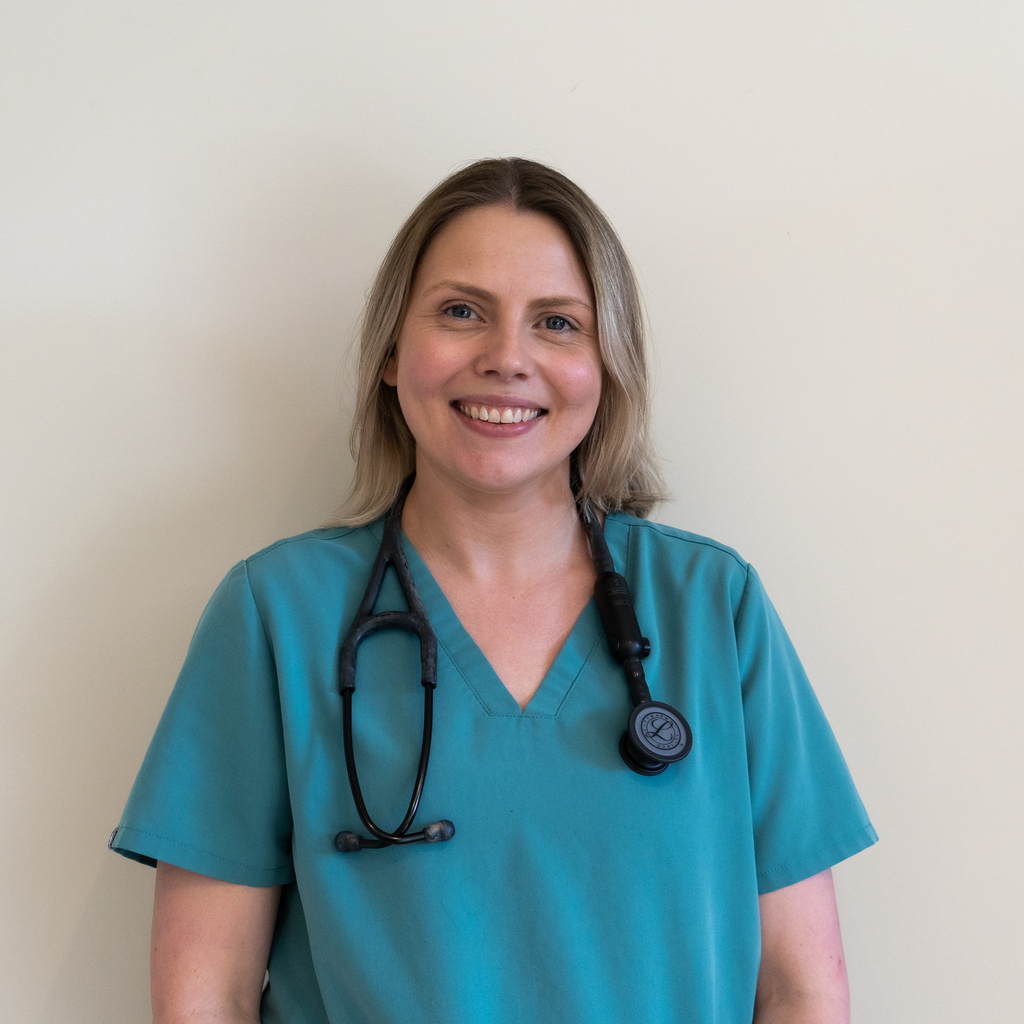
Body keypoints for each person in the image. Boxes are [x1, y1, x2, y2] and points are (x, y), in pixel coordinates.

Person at [111, 157, 877, 1024]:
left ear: (606, 366)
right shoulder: (276, 615)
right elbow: (204, 995)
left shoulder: (713, 605)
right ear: (392, 353)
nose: (507, 358)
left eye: (557, 323)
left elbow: (802, 989)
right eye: (461, 312)